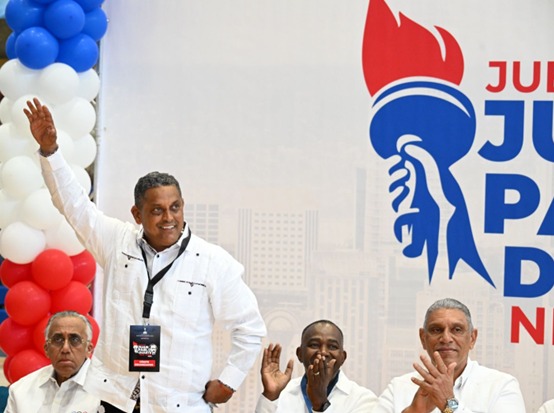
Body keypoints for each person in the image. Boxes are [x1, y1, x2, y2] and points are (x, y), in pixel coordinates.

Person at [24, 98, 267, 413]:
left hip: (180, 404)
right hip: (118, 400)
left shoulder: (212, 261)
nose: (169, 218)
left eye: (175, 207)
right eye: (157, 210)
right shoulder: (116, 241)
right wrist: (51, 152)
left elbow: (250, 328)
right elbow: (74, 205)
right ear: (137, 214)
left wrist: (229, 381)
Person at [374, 298, 525, 413]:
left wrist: (449, 403)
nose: (446, 338)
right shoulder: (399, 387)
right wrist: (414, 411)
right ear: (423, 338)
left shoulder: (501, 385)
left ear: (472, 338)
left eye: (457, 330)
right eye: (436, 330)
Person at [255, 319, 378, 412]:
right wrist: (270, 395)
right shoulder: (282, 393)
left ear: (343, 357)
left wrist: (320, 405)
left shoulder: (363, 399)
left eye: (332, 346)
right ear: (300, 354)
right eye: (314, 345)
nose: (323, 352)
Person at [4, 311, 100, 413]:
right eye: (57, 339)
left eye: (75, 339)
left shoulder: (107, 392)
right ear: (46, 349)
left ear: (89, 349)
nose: (65, 348)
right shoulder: (21, 390)